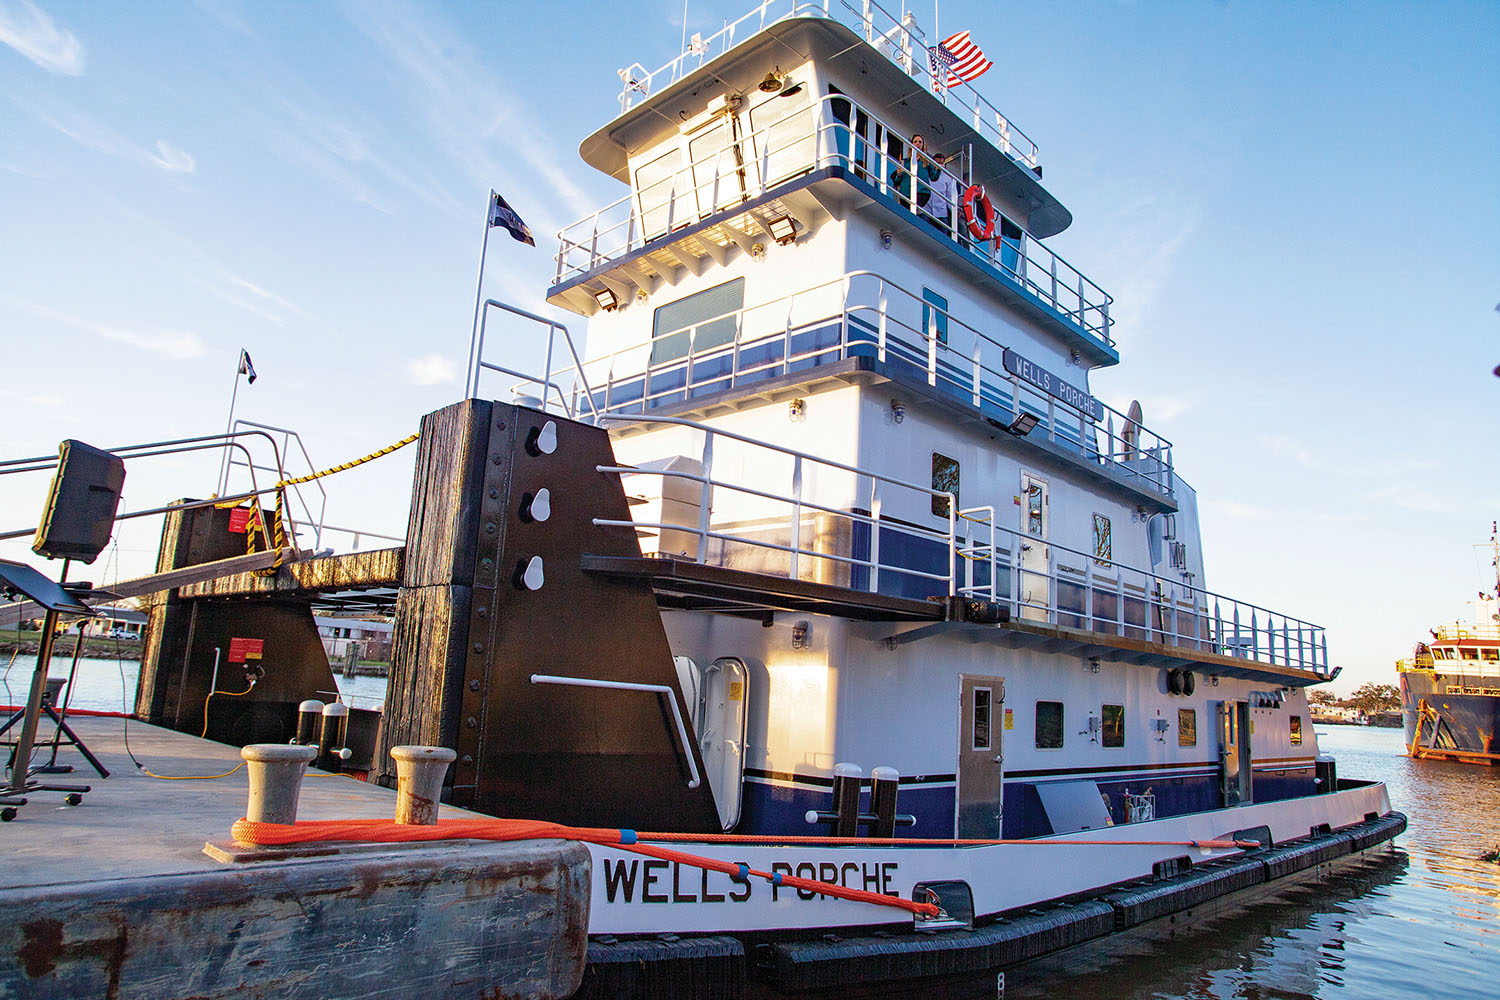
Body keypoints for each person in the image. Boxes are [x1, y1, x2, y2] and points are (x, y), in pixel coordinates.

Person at [923, 151, 958, 237]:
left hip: (941, 211)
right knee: (923, 232)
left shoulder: (948, 178)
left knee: (944, 235)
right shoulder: (927, 173)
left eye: (942, 163)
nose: (940, 165)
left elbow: (949, 196)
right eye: (938, 163)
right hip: (926, 208)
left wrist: (955, 210)